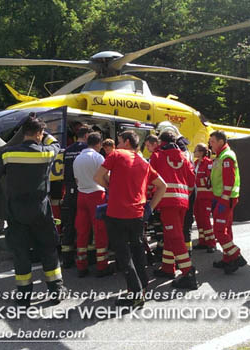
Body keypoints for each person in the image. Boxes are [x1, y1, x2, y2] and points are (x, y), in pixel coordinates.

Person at [0, 115, 67, 307]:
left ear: (23, 134)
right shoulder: (46, 152)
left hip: (16, 212)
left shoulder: (8, 154)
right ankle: (56, 291)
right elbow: (56, 144)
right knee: (48, 249)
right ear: (39, 134)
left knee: (21, 253)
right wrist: (46, 136)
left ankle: (23, 297)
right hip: (41, 211)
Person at [94, 130, 166, 307]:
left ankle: (135, 294)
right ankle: (141, 287)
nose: (116, 145)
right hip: (138, 214)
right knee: (137, 249)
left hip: (117, 213)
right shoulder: (144, 162)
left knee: (123, 254)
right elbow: (162, 186)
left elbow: (97, 177)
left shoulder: (117, 154)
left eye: (118, 142)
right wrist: (150, 207)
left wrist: (111, 187)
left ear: (126, 142)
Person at [149, 131, 197, 289]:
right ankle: (168, 268)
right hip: (182, 201)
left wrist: (150, 199)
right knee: (171, 234)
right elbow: (192, 181)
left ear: (161, 142)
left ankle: (188, 272)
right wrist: (183, 195)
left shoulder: (157, 156)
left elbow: (151, 180)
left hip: (167, 202)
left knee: (175, 236)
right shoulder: (184, 157)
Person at [73, 132, 112, 277]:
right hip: (97, 195)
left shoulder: (78, 158)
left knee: (82, 231)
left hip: (81, 195)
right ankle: (102, 266)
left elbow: (76, 180)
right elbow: (105, 177)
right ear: (99, 144)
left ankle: (81, 266)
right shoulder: (98, 157)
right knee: (100, 231)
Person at [209, 130, 247, 274]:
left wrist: (224, 199)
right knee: (226, 229)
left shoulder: (226, 157)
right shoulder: (221, 156)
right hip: (223, 197)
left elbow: (229, 180)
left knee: (218, 231)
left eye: (212, 141)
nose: (210, 144)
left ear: (220, 142)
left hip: (225, 199)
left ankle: (236, 255)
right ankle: (228, 259)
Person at [60, 125, 93, 268]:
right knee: (86, 225)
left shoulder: (67, 150)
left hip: (69, 191)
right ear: (86, 136)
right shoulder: (87, 152)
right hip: (83, 191)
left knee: (69, 225)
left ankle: (67, 259)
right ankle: (90, 258)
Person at [192, 143, 216, 253]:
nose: (194, 152)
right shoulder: (196, 163)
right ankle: (203, 241)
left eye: (195, 150)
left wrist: (196, 181)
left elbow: (208, 181)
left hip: (205, 196)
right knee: (199, 220)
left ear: (201, 152)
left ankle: (211, 243)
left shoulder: (208, 163)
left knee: (205, 220)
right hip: (197, 197)